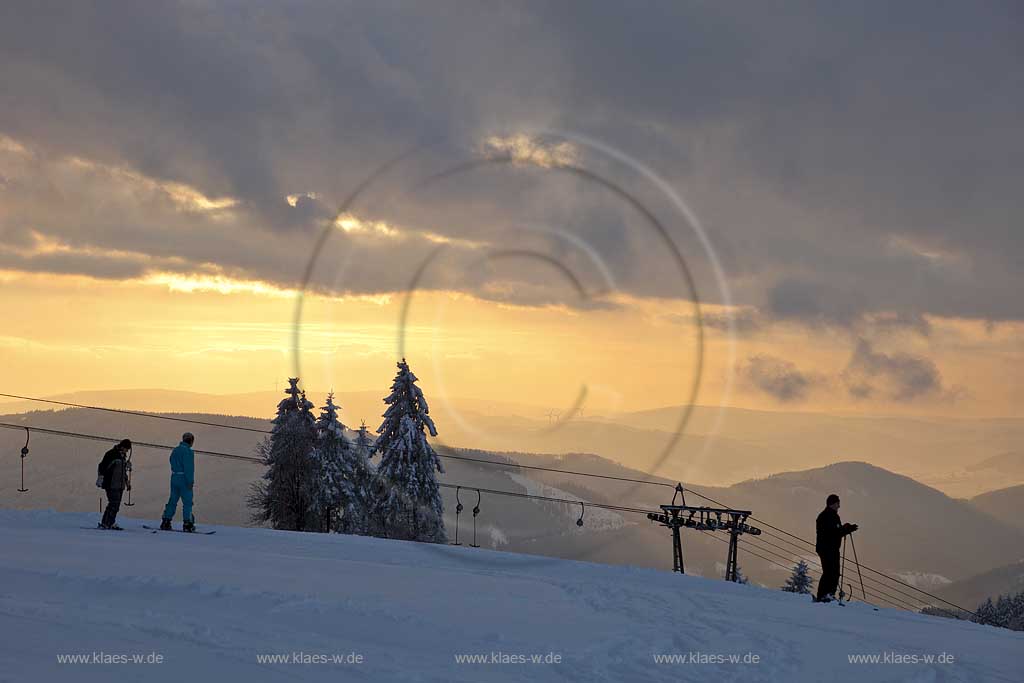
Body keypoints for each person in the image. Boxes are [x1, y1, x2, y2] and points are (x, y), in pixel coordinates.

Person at [815, 493, 858, 602]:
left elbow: (835, 531)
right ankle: (827, 595)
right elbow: (833, 533)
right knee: (831, 572)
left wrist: (845, 529)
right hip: (828, 549)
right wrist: (846, 530)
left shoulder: (828, 515)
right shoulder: (829, 516)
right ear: (832, 504)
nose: (839, 506)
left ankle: (825, 595)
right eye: (838, 503)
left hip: (827, 548)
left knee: (830, 572)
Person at [161, 432, 196, 532]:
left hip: (174, 477)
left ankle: (166, 521)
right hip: (184, 479)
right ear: (191, 441)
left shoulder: (175, 450)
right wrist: (190, 482)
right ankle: (187, 523)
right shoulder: (188, 452)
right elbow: (189, 468)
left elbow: (171, 460)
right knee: (187, 503)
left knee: (172, 500)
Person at [96, 439, 131, 530]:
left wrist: (127, 482)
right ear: (122, 446)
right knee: (113, 504)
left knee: (116, 505)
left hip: (120, 485)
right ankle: (105, 523)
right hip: (111, 483)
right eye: (126, 449)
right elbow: (102, 466)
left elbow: (123, 472)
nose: (127, 451)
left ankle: (110, 522)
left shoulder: (122, 457)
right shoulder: (111, 454)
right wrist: (101, 477)